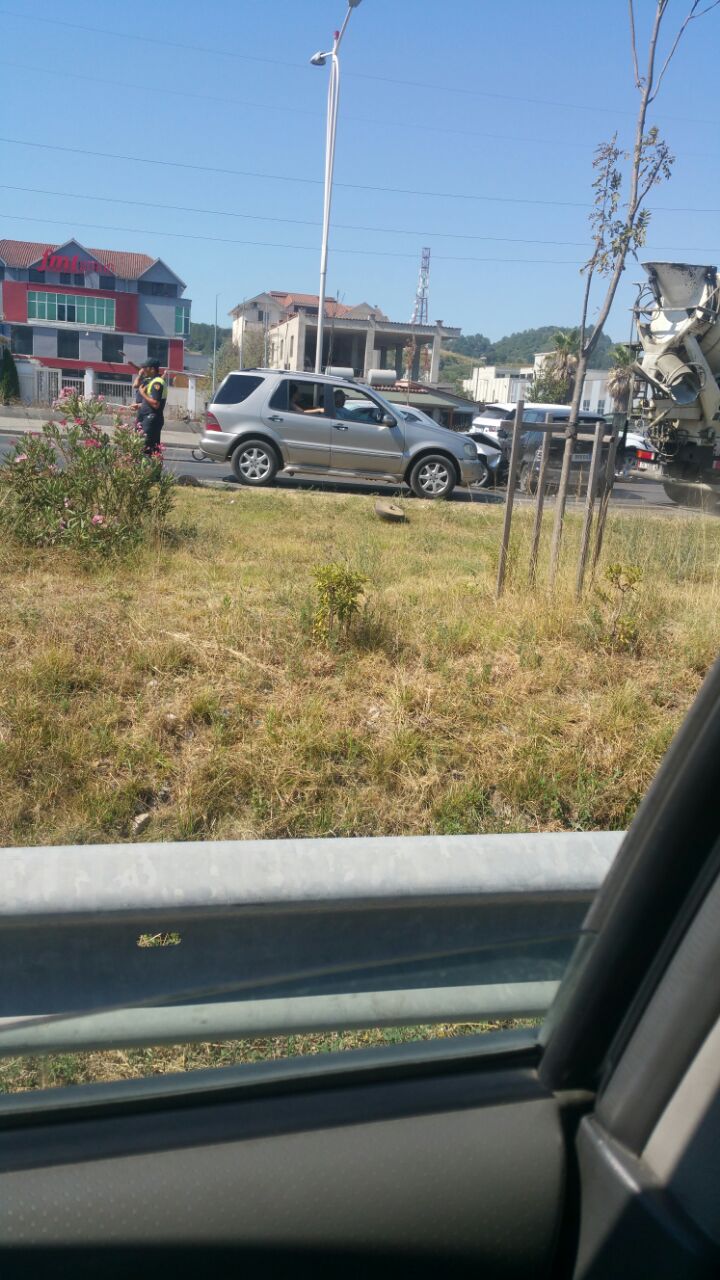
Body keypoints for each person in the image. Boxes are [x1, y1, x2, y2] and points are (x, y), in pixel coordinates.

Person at [132, 359, 167, 455]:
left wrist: (143, 393)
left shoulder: (157, 383)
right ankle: (152, 468)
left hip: (151, 419)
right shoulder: (151, 381)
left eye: (145, 367)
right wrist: (140, 405)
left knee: (146, 448)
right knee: (151, 449)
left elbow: (156, 404)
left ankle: (148, 468)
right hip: (147, 417)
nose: (142, 370)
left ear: (152, 369)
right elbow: (150, 401)